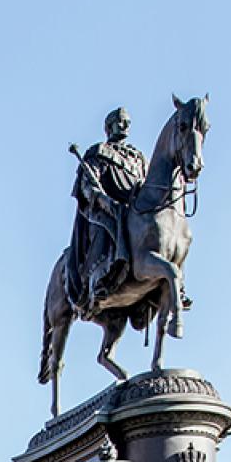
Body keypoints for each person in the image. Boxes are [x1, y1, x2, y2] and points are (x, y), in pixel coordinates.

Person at [66, 108, 147, 314]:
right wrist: (103, 200)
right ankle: (100, 280)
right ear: (108, 127)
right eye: (120, 121)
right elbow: (87, 186)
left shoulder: (138, 159)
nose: (125, 125)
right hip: (105, 209)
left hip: (133, 210)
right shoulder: (99, 152)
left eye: (127, 121)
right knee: (110, 226)